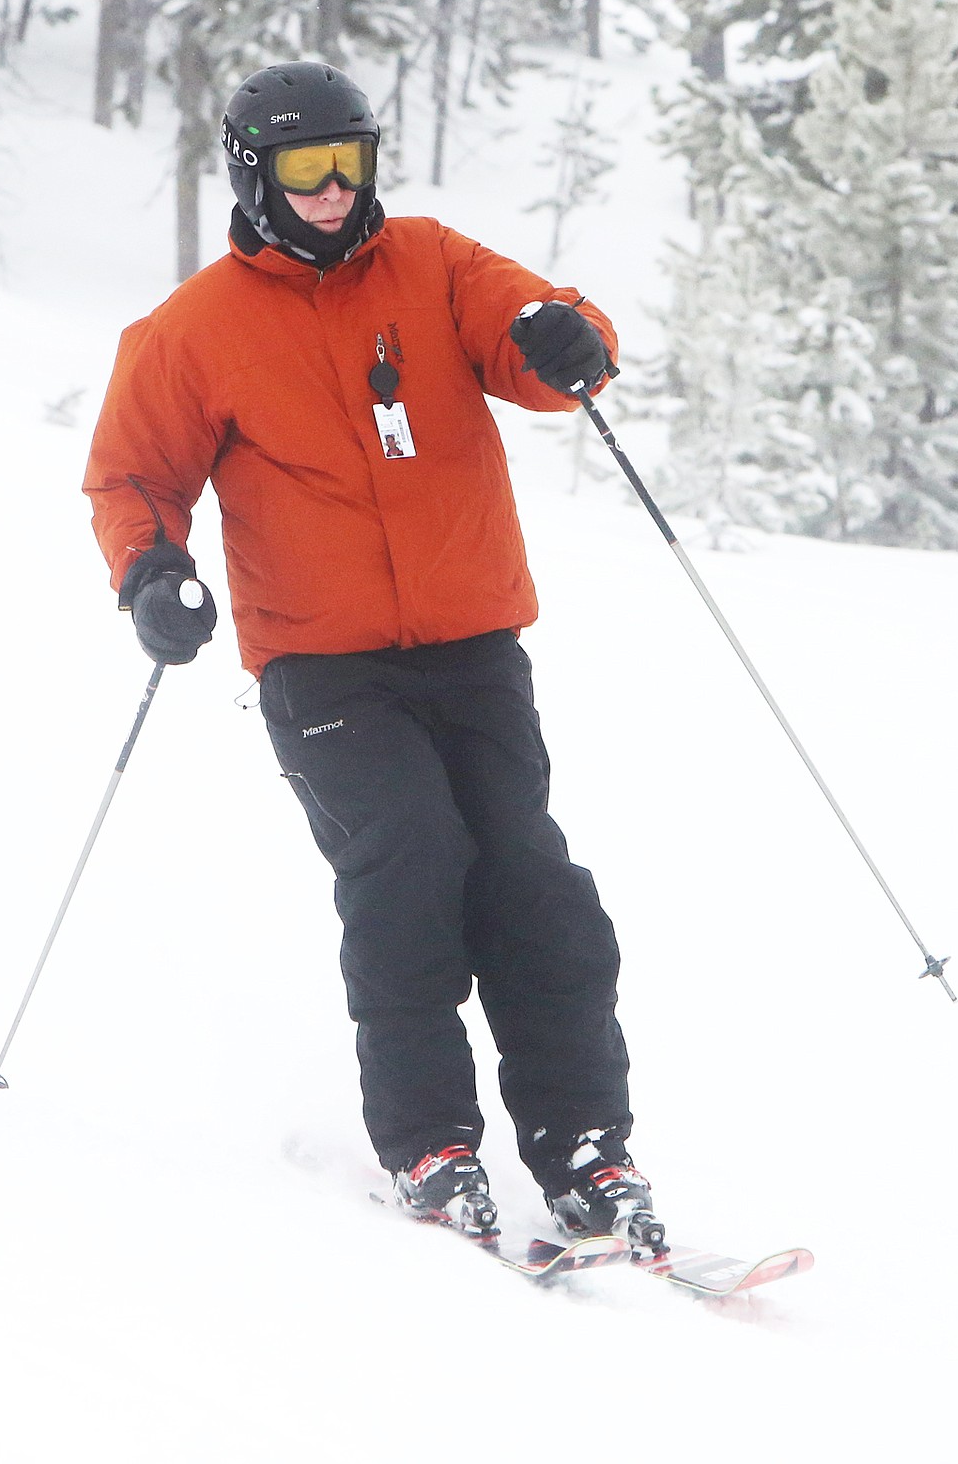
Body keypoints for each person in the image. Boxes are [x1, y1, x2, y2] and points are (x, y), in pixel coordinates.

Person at [84, 61, 663, 1248]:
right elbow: (134, 477)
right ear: (255, 173)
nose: (337, 187)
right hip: (324, 666)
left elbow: (535, 336)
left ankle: (586, 1148)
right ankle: (433, 1144)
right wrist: (152, 575)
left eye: (354, 157)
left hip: (475, 646)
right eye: (307, 166)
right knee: (409, 863)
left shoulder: (436, 263)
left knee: (532, 883)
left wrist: (567, 340)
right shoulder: (193, 330)